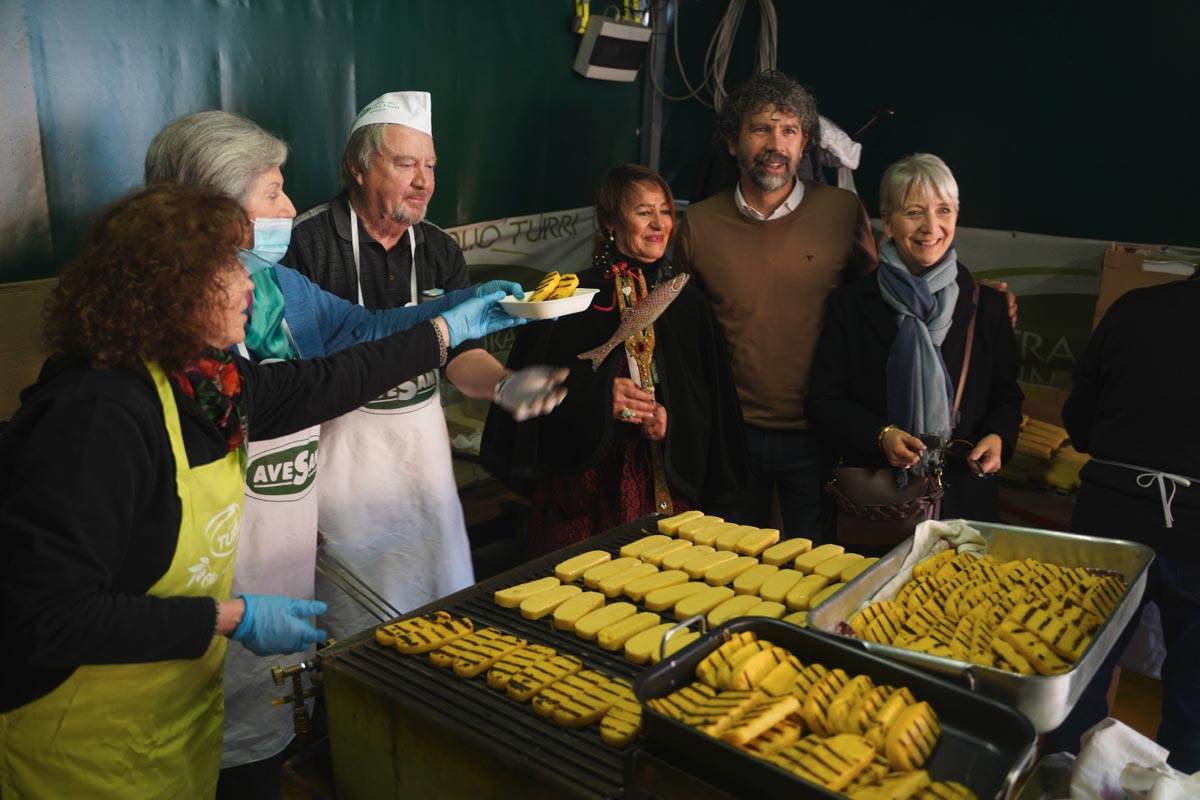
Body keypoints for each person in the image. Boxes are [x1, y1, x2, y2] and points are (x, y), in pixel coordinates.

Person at [0, 183, 523, 797]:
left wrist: (444, 330)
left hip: (166, 737)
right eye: (229, 267)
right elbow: (45, 616)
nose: (250, 282)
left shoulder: (208, 383)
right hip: (75, 748)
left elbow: (326, 381)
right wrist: (231, 616)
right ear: (171, 289)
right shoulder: (95, 416)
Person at [143, 110, 563, 797]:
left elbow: (359, 331)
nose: (288, 207)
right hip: (207, 570)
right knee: (200, 740)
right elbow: (308, 387)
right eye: (272, 191)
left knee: (269, 727)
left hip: (280, 540)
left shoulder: (273, 287)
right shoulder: (163, 327)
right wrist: (440, 332)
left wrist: (458, 309)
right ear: (211, 208)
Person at [284, 91, 561, 636]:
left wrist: (503, 385)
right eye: (406, 164)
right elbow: (290, 383)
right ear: (357, 167)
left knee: (437, 612)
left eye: (430, 166)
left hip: (421, 464)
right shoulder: (306, 244)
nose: (424, 182)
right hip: (338, 470)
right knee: (350, 628)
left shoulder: (438, 249)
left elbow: (459, 356)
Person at [480, 164, 748, 555]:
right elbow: (530, 392)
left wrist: (672, 420)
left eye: (665, 211)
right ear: (610, 221)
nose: (658, 224)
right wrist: (598, 394)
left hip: (668, 485)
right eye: (643, 212)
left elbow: (711, 402)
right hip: (587, 493)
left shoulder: (686, 301)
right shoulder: (570, 300)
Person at [672, 70, 879, 540]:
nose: (776, 144)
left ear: (804, 144)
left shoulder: (843, 213)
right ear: (732, 142)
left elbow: (879, 305)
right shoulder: (699, 224)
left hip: (819, 433)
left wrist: (979, 300)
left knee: (815, 564)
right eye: (761, 129)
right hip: (731, 435)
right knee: (728, 561)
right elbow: (680, 330)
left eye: (789, 130)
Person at [807, 154, 1022, 538]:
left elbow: (1006, 396)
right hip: (877, 505)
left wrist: (998, 437)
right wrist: (880, 435)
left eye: (944, 210)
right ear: (888, 221)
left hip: (962, 503)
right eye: (914, 212)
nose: (931, 227)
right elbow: (824, 399)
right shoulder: (851, 304)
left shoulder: (987, 306)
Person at [1040, 271, 1200, 771]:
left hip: (1111, 514)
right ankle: (1180, 784)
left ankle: (1064, 778)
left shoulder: (1135, 307)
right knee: (1195, 698)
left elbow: (1080, 419)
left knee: (1080, 666)